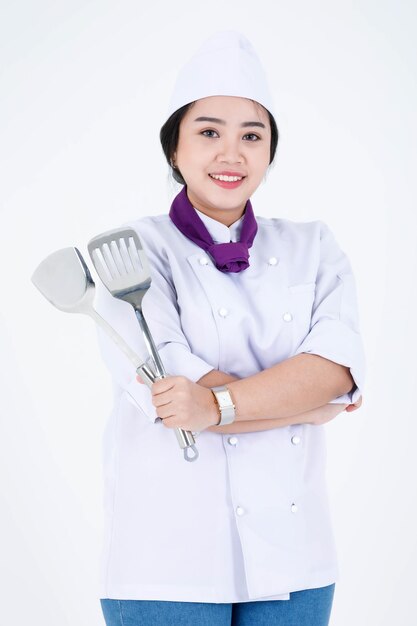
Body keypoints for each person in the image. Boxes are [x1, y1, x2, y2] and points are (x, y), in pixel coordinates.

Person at [96, 31, 365, 626]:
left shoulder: (314, 246)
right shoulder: (132, 251)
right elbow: (169, 387)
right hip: (167, 561)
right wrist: (302, 403)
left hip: (295, 558)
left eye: (252, 136)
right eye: (209, 132)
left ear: (270, 151)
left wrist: (213, 404)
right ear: (174, 149)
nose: (232, 153)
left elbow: (333, 370)